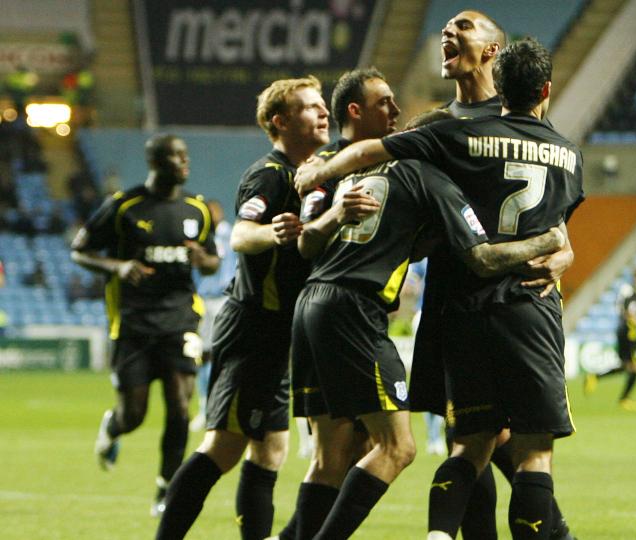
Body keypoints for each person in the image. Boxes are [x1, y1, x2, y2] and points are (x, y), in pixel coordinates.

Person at [295, 37, 584, 540]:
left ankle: (436, 535)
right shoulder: (566, 154)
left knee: (467, 445)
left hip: (452, 312)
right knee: (530, 452)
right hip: (524, 305)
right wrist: (555, 245)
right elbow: (529, 234)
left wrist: (320, 169)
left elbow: (351, 175)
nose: (397, 110)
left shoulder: (450, 138)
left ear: (494, 62)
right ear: (545, 90)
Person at [423, 11, 577, 540]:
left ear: (492, 51)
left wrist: (566, 253)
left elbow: (552, 219)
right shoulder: (435, 128)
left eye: (462, 26)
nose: (448, 32)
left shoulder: (516, 120)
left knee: (489, 442)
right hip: (456, 299)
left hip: (494, 301)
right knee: (488, 444)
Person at [155, 76, 328, 540]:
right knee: (224, 447)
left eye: (323, 103)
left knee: (270, 449)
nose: (323, 112)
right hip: (254, 329)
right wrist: (275, 233)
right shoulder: (269, 174)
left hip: (279, 335)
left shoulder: (317, 172)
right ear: (281, 121)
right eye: (311, 106)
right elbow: (239, 235)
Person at [278, 66, 400, 540]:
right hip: (338, 314)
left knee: (351, 448)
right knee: (368, 448)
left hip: (334, 316)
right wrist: (337, 213)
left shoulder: (389, 158)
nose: (394, 109)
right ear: (356, 110)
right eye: (383, 101)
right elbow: (306, 244)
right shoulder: (326, 165)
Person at [70, 134, 220, 516]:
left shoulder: (198, 209)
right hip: (134, 323)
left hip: (180, 319)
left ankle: (166, 489)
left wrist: (205, 260)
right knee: (134, 414)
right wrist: (118, 266)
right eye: (174, 155)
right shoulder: (124, 207)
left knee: (181, 408)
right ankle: (113, 426)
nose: (183, 162)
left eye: (186, 155)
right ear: (155, 161)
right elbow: (80, 250)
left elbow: (213, 260)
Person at [189, 199, 236, 432]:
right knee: (203, 355)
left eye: (214, 211)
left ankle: (220, 407)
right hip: (203, 301)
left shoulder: (231, 235)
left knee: (222, 355)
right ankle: (204, 408)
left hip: (224, 299)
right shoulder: (201, 238)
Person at [584, 264, 636, 411]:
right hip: (629, 333)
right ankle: (624, 399)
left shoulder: (633, 290)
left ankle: (595, 377)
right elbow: (628, 312)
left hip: (625, 331)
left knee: (625, 366)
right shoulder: (632, 291)